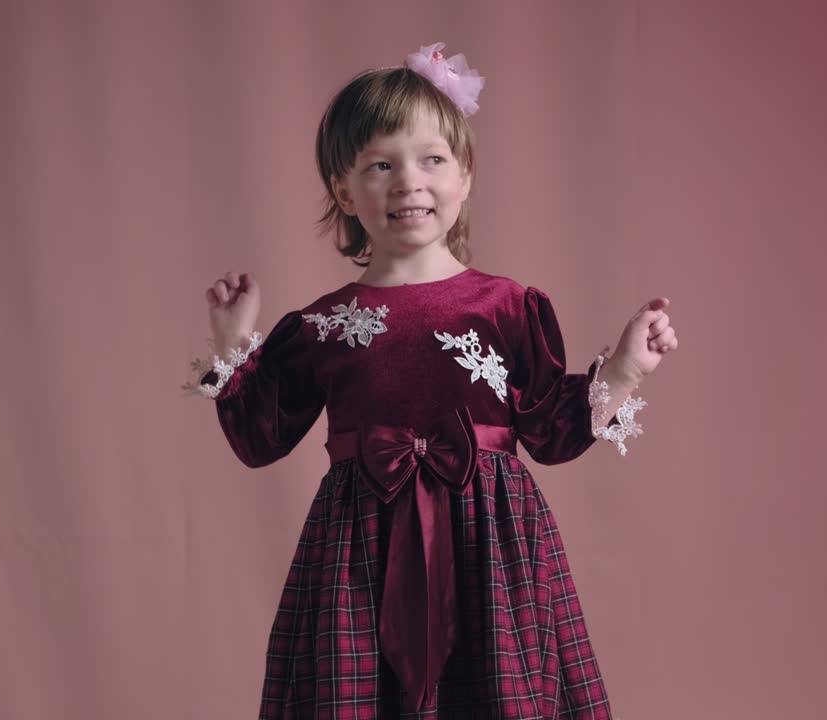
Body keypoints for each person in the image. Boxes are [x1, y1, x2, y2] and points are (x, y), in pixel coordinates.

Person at [183, 42, 678, 719]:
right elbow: (258, 439)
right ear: (343, 189)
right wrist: (232, 343)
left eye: (431, 160)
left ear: (466, 175)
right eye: (381, 165)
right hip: (359, 549)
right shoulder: (322, 324)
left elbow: (551, 434)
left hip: (493, 549)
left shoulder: (509, 305)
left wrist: (623, 369)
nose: (408, 182)